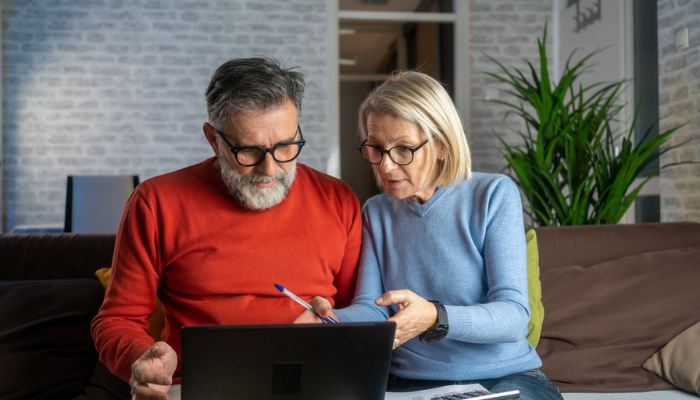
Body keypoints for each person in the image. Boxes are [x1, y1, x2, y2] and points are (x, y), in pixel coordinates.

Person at [91, 57, 362, 400]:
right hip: (200, 387)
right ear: (212, 139)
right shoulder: (155, 202)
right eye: (248, 151)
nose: (270, 168)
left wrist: (337, 326)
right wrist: (141, 359)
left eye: (285, 147)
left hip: (313, 381)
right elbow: (117, 319)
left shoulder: (337, 199)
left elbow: (360, 313)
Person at [295, 71, 563, 400]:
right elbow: (374, 307)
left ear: (440, 145)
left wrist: (436, 317)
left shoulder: (492, 195)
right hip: (408, 382)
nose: (387, 166)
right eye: (376, 148)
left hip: (503, 377)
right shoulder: (376, 212)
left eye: (404, 149)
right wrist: (330, 320)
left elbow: (514, 317)